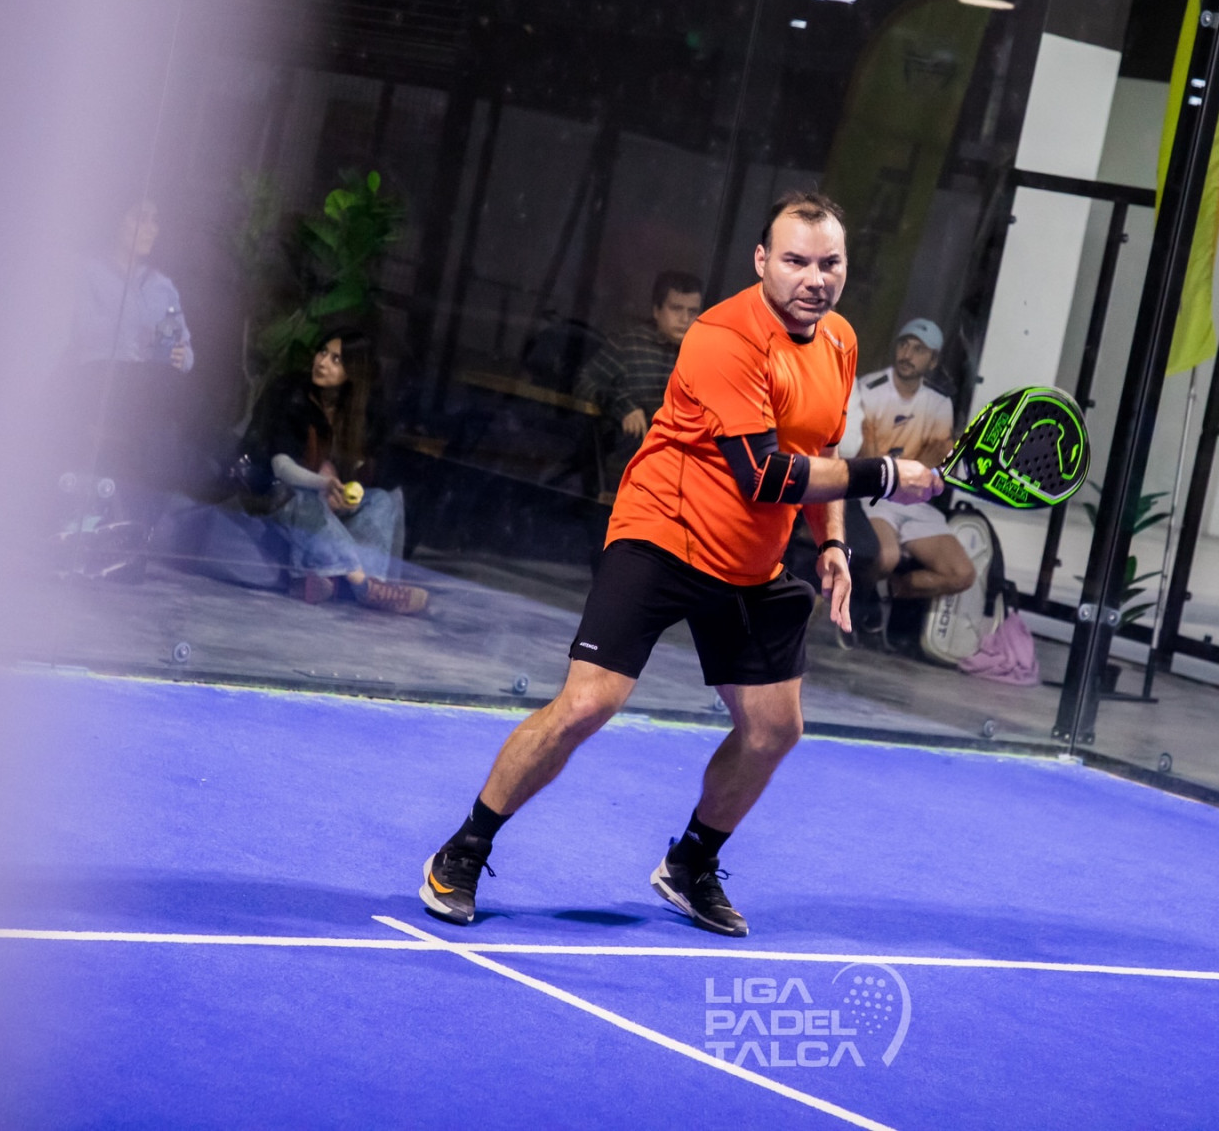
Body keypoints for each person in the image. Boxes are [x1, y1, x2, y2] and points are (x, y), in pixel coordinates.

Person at [418, 192, 941, 934]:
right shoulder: (724, 337)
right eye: (795, 260)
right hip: (663, 534)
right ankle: (466, 847)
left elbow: (820, 447)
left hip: (751, 562)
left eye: (830, 263)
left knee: (775, 728)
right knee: (587, 704)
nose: (814, 278)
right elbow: (764, 473)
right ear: (761, 260)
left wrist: (830, 542)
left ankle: (691, 862)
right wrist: (882, 476)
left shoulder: (840, 341)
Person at [242, 329, 428, 615]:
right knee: (304, 499)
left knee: (382, 501)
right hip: (275, 494)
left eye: (336, 359)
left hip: (324, 500)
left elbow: (362, 471)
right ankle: (364, 587)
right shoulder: (290, 393)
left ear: (353, 372)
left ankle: (345, 580)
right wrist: (324, 484)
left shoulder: (358, 412)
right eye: (322, 352)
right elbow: (281, 467)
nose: (323, 362)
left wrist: (346, 496)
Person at [839, 318, 978, 630]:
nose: (907, 354)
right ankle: (858, 606)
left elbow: (936, 460)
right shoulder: (869, 389)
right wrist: (909, 466)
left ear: (933, 361)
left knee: (961, 574)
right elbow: (866, 458)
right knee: (885, 557)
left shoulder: (939, 402)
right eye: (904, 344)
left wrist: (907, 467)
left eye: (918, 350)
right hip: (875, 496)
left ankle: (883, 595)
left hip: (915, 499)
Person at [576, 271, 704, 486]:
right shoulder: (629, 344)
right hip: (626, 466)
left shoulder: (704, 355)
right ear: (657, 311)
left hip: (683, 471)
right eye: (676, 309)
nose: (684, 319)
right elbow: (583, 381)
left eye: (692, 311)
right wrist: (623, 406)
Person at [67, 199, 194, 372]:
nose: (152, 229)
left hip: (150, 383)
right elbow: (80, 330)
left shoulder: (162, 285)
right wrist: (137, 330)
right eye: (141, 219)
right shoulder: (88, 272)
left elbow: (184, 347)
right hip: (97, 378)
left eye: (155, 220)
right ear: (117, 220)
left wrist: (182, 356)